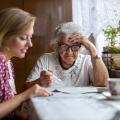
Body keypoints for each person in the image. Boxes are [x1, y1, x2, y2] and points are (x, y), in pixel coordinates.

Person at [0, 8, 51, 120]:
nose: (30, 44)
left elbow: (6, 104)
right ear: (3, 37)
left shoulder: (8, 63)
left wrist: (23, 116)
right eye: (23, 38)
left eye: (30, 37)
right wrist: (25, 95)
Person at [26, 22, 109, 88]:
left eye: (75, 46)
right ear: (57, 46)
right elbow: (25, 88)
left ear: (81, 47)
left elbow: (103, 84)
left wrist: (92, 49)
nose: (69, 52)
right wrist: (39, 82)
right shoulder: (46, 59)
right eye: (64, 46)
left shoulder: (86, 61)